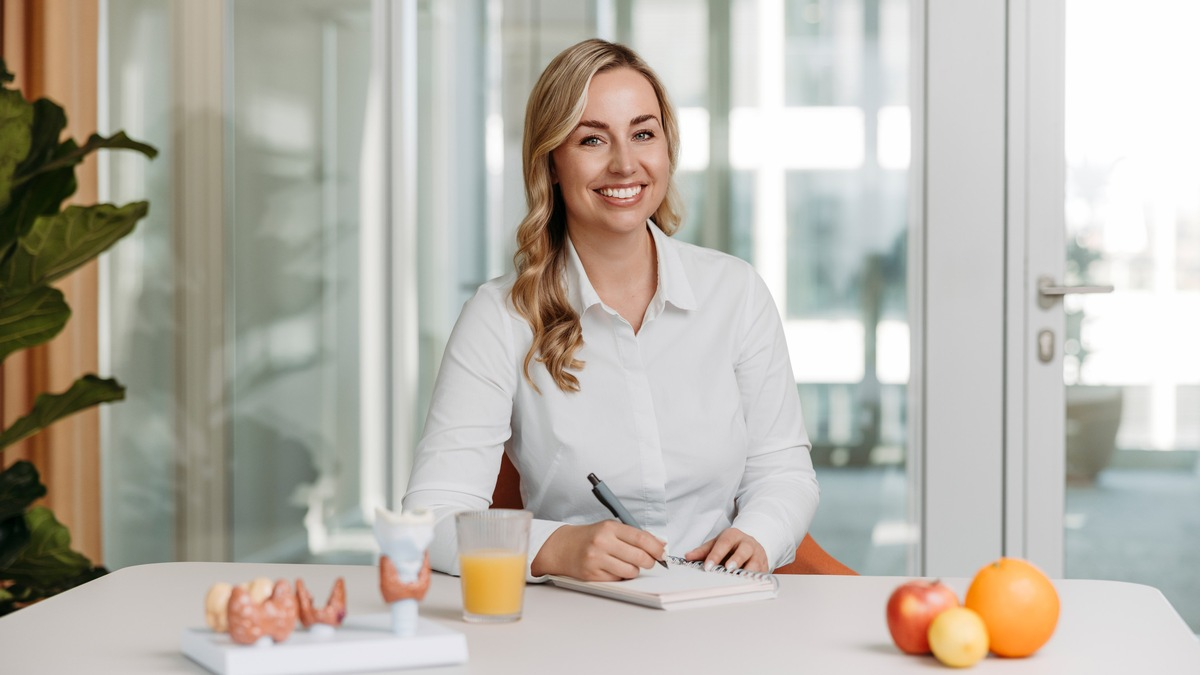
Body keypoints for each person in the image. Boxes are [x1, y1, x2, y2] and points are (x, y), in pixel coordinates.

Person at [401, 38, 819, 582]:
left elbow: (784, 472)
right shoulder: (500, 316)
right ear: (551, 162)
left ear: (667, 148)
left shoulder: (735, 293)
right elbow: (428, 518)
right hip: (573, 619)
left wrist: (758, 535)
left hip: (720, 609)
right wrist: (553, 548)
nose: (625, 164)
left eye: (643, 134)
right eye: (592, 139)